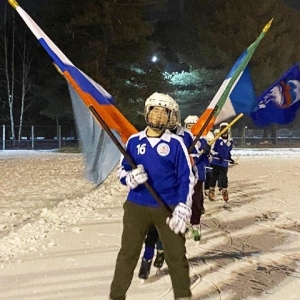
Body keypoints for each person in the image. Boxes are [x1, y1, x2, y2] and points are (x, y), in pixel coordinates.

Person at [109, 92, 195, 300]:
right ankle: (116, 296)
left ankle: (182, 296)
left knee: (176, 255)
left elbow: (187, 178)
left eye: (163, 113)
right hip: (136, 207)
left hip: (168, 207)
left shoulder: (176, 144)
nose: (158, 117)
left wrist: (183, 207)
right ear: (146, 113)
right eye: (155, 111)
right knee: (127, 254)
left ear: (170, 117)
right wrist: (130, 178)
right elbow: (122, 171)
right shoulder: (133, 141)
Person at [138, 100, 196, 281]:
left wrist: (194, 160)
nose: (163, 117)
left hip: (173, 190)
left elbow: (190, 168)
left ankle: (161, 250)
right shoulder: (153, 134)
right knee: (151, 230)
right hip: (153, 190)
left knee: (167, 228)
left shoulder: (185, 136)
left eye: (167, 113)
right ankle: (147, 258)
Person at [208, 122, 234, 202]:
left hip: (224, 163)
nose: (224, 131)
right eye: (222, 129)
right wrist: (217, 155)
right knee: (214, 177)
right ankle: (211, 191)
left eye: (225, 129)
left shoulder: (230, 141)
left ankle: (224, 191)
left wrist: (230, 158)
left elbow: (228, 151)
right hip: (216, 162)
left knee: (224, 177)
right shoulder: (216, 139)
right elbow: (211, 150)